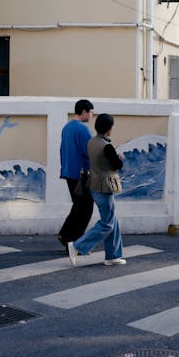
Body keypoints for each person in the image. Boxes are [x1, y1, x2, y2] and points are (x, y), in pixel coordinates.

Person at [67, 113, 125, 266]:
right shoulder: (107, 146)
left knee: (112, 220)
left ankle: (113, 255)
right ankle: (77, 246)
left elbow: (100, 161)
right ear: (108, 129)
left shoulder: (92, 142)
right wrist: (119, 158)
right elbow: (117, 166)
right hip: (104, 188)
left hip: (93, 185)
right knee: (107, 223)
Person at [57, 99, 95, 249]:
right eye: (91, 112)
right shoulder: (83, 129)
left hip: (68, 172)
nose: (92, 115)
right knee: (86, 208)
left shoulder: (67, 127)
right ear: (84, 112)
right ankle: (75, 243)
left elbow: (62, 150)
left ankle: (65, 236)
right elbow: (90, 152)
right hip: (81, 174)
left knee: (79, 206)